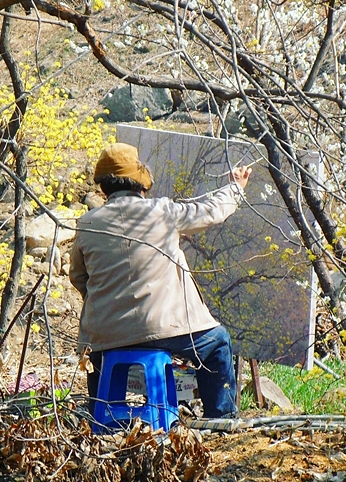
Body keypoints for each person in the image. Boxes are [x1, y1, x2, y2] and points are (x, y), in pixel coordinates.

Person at [69, 142, 251, 420]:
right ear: (141, 184)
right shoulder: (162, 212)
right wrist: (235, 187)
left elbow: (78, 277)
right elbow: (211, 211)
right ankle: (220, 420)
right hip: (166, 329)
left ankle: (102, 419)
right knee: (217, 343)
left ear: (103, 188)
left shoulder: (87, 223)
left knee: (99, 364)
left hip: (105, 337)